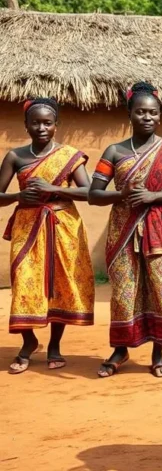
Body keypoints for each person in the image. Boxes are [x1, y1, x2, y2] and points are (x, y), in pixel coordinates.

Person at [89, 82, 162, 379]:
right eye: (140, 112)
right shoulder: (114, 151)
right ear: (130, 114)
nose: (147, 117)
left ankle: (158, 352)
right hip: (122, 230)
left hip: (160, 231)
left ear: (159, 116)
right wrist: (122, 194)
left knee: (161, 289)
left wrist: (153, 196)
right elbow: (94, 194)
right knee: (124, 291)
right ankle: (120, 349)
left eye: (152, 112)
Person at [2, 98, 93, 373]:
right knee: (24, 282)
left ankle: (54, 345)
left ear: (56, 126)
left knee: (61, 284)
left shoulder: (69, 155)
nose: (41, 127)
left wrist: (54, 188)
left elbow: (90, 192)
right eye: (35, 123)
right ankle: (28, 341)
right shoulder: (15, 156)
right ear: (26, 126)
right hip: (27, 224)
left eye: (47, 123)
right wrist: (19, 195)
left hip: (63, 225)